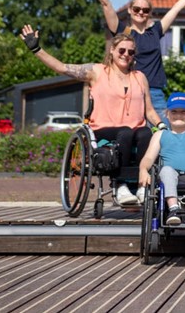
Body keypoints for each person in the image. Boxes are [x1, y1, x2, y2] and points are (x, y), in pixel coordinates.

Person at [20, 25, 161, 204]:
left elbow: (149, 110)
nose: (126, 54)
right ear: (112, 50)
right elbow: (63, 68)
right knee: (125, 132)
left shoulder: (140, 77)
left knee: (146, 133)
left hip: (135, 130)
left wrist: (161, 125)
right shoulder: (97, 71)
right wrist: (36, 49)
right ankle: (120, 185)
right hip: (103, 129)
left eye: (131, 52)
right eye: (122, 50)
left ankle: (142, 186)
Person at [87, 0, 185, 121]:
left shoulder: (156, 31)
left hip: (155, 92)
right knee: (131, 136)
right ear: (129, 10)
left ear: (149, 13)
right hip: (131, 90)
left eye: (145, 10)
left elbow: (176, 8)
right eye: (137, 9)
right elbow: (105, 3)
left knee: (163, 135)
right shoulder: (123, 32)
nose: (141, 12)